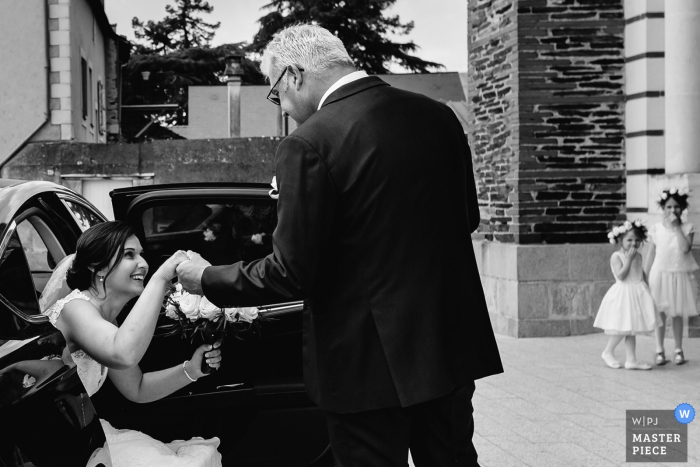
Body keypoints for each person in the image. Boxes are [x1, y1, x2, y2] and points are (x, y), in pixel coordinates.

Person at [176, 24, 502, 466]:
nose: (283, 109)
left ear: (293, 74)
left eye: (276, 94)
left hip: (364, 363)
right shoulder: (438, 117)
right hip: (445, 344)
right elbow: (468, 218)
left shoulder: (310, 143)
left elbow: (291, 271)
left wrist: (206, 277)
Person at [40, 221, 223, 467]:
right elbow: (123, 353)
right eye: (129, 254)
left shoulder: (108, 320)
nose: (144, 264)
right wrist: (161, 278)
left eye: (141, 254)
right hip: (51, 443)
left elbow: (137, 388)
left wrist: (191, 370)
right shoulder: (75, 308)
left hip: (83, 435)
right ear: (98, 266)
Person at [645, 188, 699, 365]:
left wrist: (677, 228)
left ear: (682, 207)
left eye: (677, 206)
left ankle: (678, 349)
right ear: (663, 207)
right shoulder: (656, 228)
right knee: (660, 313)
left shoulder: (687, 228)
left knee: (676, 313)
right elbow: (650, 254)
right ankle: (659, 350)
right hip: (659, 274)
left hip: (678, 275)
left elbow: (685, 249)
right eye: (669, 206)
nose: (673, 210)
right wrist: (644, 276)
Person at [594, 221, 657, 370]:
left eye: (637, 240)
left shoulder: (638, 256)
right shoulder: (617, 256)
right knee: (623, 328)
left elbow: (640, 274)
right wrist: (628, 260)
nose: (633, 243)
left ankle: (631, 360)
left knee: (631, 328)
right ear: (620, 240)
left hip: (637, 293)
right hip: (623, 295)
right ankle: (608, 352)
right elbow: (621, 276)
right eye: (629, 240)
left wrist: (646, 286)